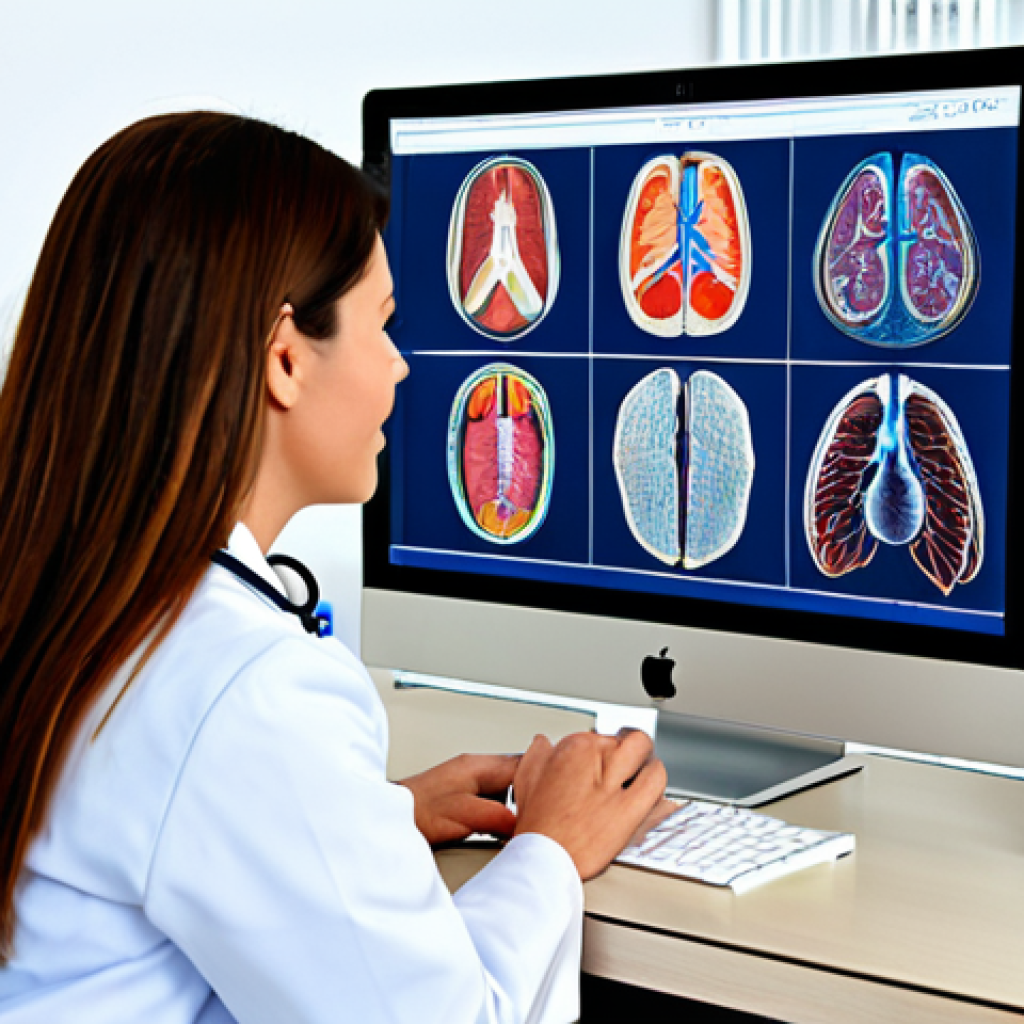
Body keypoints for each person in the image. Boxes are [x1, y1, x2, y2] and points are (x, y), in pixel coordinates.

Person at [0, 112, 667, 1024]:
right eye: (382, 322)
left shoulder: (72, 610)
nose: (399, 366)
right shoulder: (246, 693)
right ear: (284, 356)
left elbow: (165, 820)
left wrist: (358, 822)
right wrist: (550, 847)